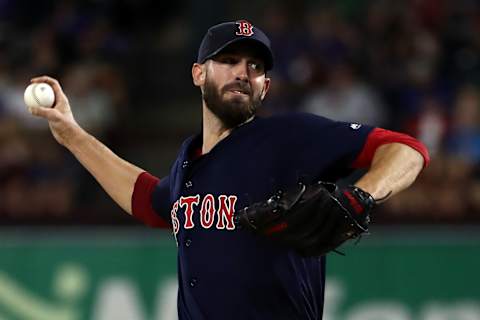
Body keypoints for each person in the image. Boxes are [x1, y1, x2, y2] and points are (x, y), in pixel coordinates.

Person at [28, 20, 429, 320]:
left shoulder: (290, 136)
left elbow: (406, 149)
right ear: (198, 73)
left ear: (266, 87)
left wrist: (361, 195)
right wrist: (71, 134)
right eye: (229, 60)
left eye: (255, 67)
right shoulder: (189, 159)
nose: (243, 73)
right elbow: (148, 201)